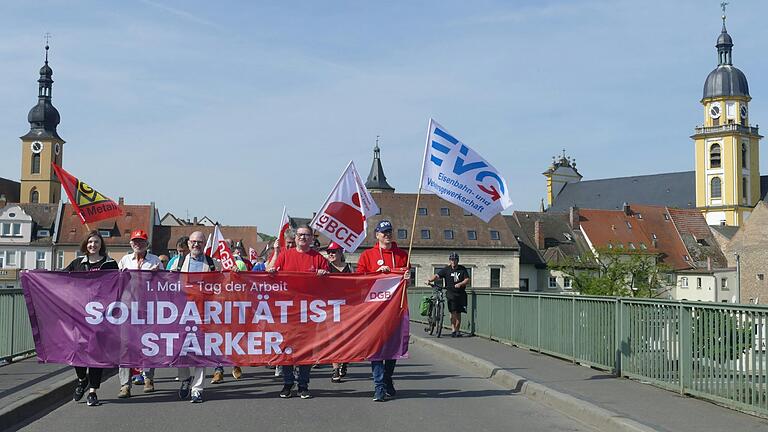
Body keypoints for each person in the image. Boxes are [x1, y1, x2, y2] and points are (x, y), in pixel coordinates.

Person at [267, 225, 329, 399]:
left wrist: (325, 274)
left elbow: (331, 284)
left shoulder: (318, 258)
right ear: (295, 238)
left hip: (309, 312)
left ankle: (303, 384)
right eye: (300, 235)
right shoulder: (285, 255)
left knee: (305, 350)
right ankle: (287, 383)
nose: (302, 237)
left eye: (306, 235)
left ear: (311, 238)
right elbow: (270, 276)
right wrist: (271, 273)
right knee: (286, 348)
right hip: (287, 311)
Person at [355, 220, 409, 402]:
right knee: (376, 349)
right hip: (375, 310)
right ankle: (379, 386)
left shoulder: (402, 255)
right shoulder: (367, 256)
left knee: (393, 348)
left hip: (396, 309)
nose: (387, 235)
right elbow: (359, 280)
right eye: (383, 232)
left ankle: (387, 377)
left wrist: (407, 277)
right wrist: (376, 273)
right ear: (376, 235)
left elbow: (404, 281)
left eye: (389, 232)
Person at [65, 230, 119, 407]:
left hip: (101, 317)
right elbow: (60, 279)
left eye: (96, 242)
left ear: (101, 245)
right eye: (90, 242)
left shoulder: (110, 264)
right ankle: (82, 379)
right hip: (79, 316)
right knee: (77, 351)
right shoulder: (77, 263)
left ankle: (93, 391)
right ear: (85, 245)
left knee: (96, 354)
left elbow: (118, 286)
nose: (93, 245)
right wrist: (35, 275)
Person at [174, 231, 222, 403]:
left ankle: (197, 388)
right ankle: (185, 379)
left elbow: (225, 284)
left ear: (204, 244)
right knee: (182, 350)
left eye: (199, 242)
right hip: (181, 312)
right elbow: (165, 284)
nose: (196, 245)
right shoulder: (177, 262)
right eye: (193, 242)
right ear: (188, 244)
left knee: (201, 350)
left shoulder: (213, 263)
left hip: (205, 313)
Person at [117, 229, 162, 398]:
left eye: (141, 241)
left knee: (149, 345)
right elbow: (115, 284)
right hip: (127, 309)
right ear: (131, 244)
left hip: (148, 308)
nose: (138, 244)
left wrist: (159, 275)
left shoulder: (155, 261)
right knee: (125, 346)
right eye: (135, 241)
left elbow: (164, 284)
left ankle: (148, 378)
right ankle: (124, 385)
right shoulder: (124, 260)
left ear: (147, 244)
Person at [426, 252, 470, 338]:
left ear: (457, 261)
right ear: (450, 261)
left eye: (455, 260)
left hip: (460, 293)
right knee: (453, 311)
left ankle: (457, 330)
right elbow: (437, 276)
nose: (453, 261)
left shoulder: (462, 269)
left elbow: (467, 279)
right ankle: (453, 329)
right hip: (450, 292)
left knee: (458, 312)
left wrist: (461, 284)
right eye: (452, 260)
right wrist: (430, 280)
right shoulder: (447, 269)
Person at [325, 242, 351, 383]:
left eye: (334, 251)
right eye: (329, 251)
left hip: (347, 308)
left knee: (346, 338)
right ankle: (335, 368)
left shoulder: (349, 268)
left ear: (341, 253)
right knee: (334, 338)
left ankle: (345, 360)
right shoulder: (326, 268)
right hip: (331, 308)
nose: (330, 254)